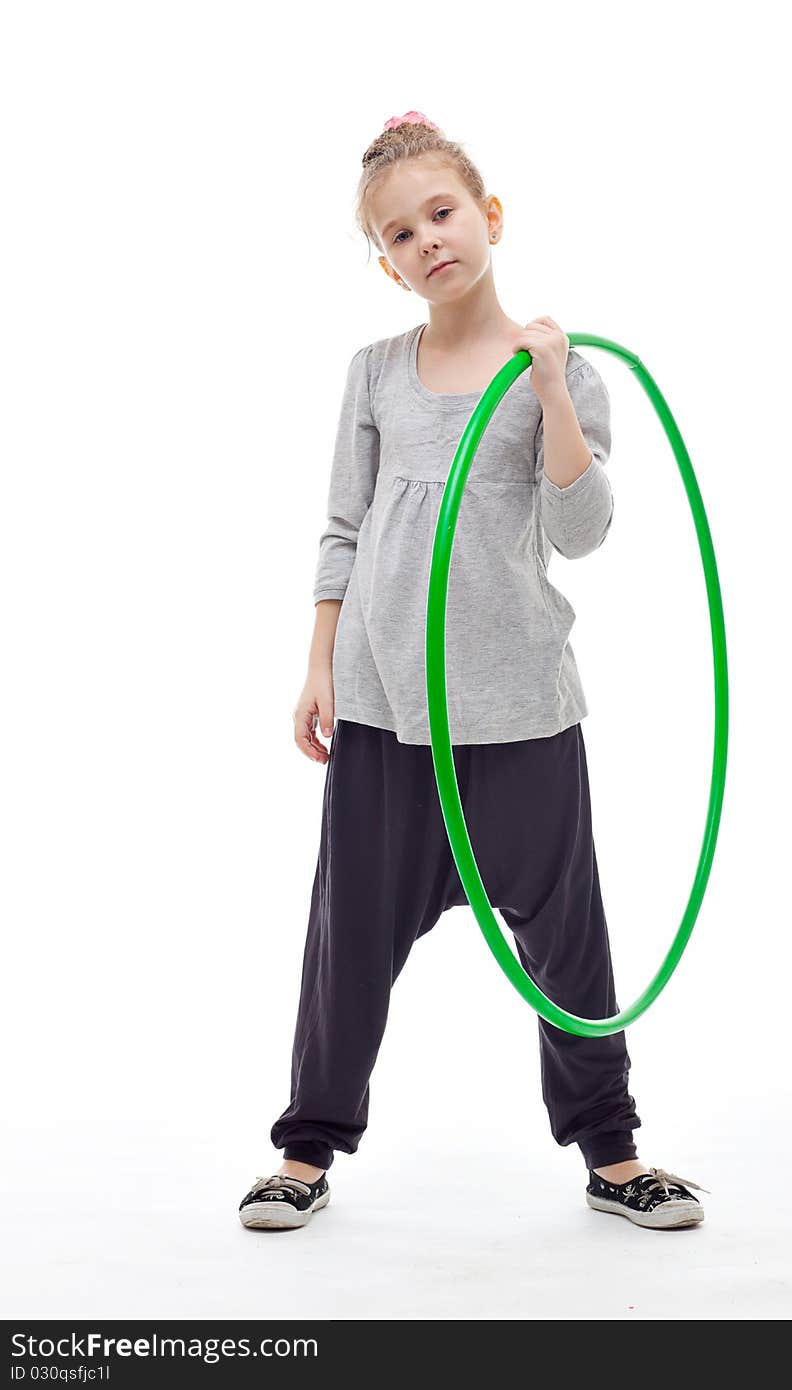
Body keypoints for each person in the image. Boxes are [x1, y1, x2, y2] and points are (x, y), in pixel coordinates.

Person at [238, 112, 710, 1234]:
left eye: (441, 214)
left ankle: (613, 1152)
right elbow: (342, 526)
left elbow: (582, 526)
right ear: (389, 261)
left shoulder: (561, 369)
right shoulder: (373, 374)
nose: (427, 240)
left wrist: (549, 388)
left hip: (518, 713)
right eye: (398, 233)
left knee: (569, 944)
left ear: (487, 217)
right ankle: (304, 1152)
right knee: (346, 938)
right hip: (386, 712)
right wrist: (319, 663)